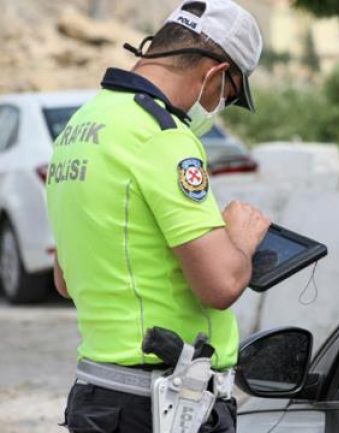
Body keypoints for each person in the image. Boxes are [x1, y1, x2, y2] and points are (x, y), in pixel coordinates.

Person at [46, 1, 268, 432]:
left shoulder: (81, 125)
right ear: (215, 74)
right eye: (230, 94)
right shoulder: (162, 135)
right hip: (160, 403)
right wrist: (239, 238)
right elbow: (221, 284)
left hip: (98, 398)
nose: (221, 104)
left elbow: (66, 279)